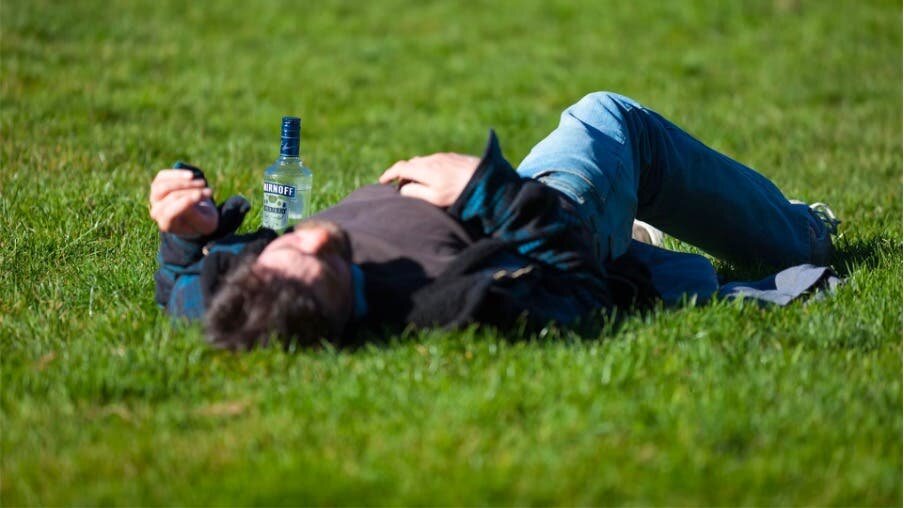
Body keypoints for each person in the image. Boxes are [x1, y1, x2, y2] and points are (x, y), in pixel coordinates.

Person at [150, 92, 839, 349]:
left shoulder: (240, 297)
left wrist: (185, 228)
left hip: (507, 204)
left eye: (288, 247)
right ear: (338, 312)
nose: (318, 237)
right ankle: (801, 232)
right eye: (329, 264)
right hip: (541, 211)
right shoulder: (454, 305)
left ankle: (645, 245)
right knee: (609, 119)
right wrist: (484, 190)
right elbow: (576, 289)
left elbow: (182, 283)